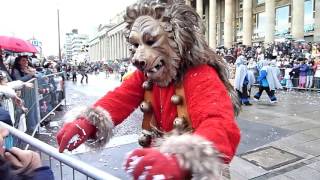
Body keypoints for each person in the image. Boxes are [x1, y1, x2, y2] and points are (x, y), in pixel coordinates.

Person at [56, 1, 241, 179]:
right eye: (136, 45)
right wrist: (88, 122)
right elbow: (120, 97)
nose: (137, 57)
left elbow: (218, 122)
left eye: (151, 41)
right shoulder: (147, 75)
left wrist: (182, 160)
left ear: (178, 40)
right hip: (157, 167)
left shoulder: (200, 74)